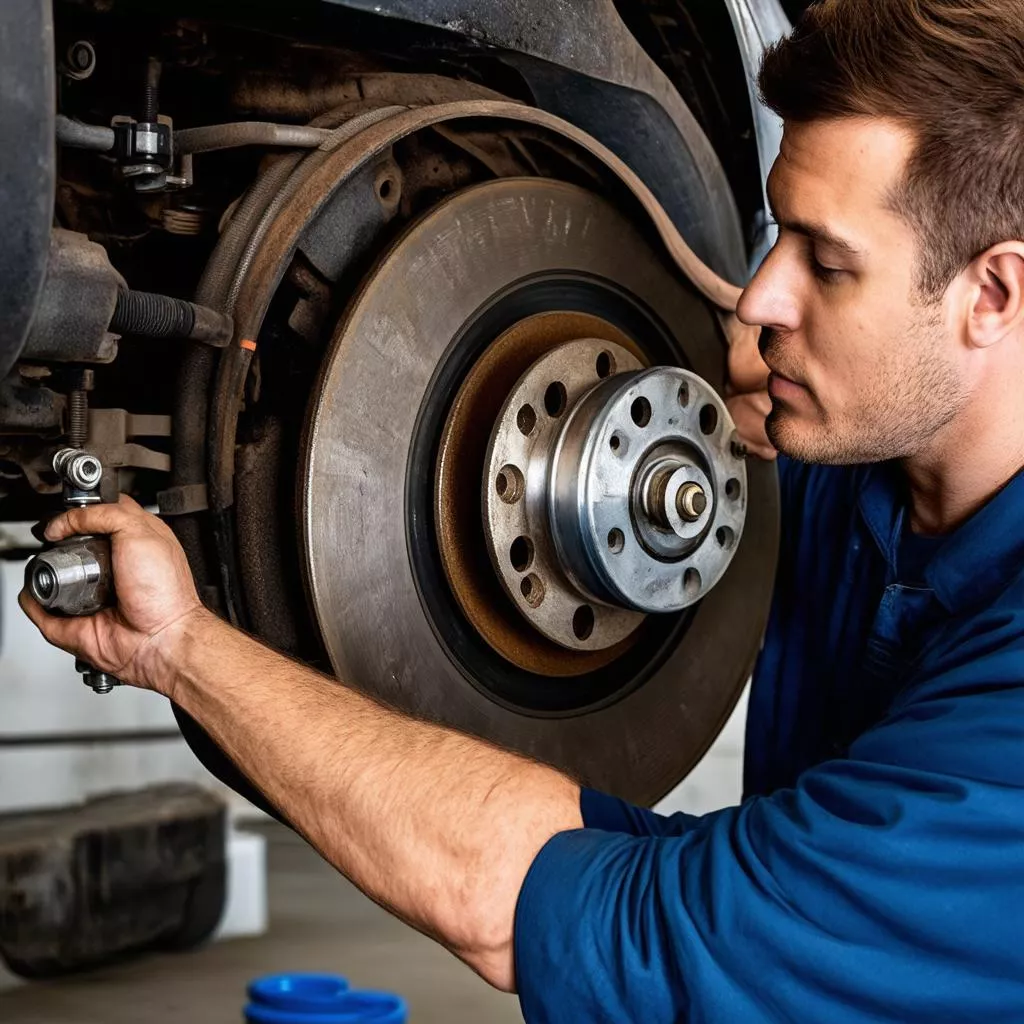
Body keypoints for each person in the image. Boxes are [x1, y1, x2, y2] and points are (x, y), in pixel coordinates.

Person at [22, 1, 1024, 1019]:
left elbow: (636, 920)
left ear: (992, 293)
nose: (757, 299)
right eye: (779, 236)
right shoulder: (868, 478)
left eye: (826, 261)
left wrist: (181, 646)